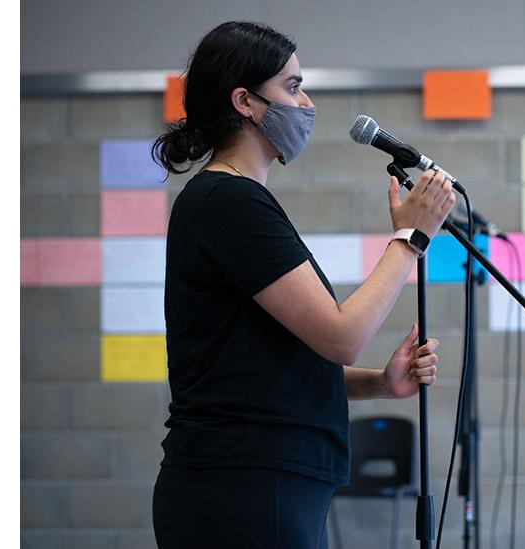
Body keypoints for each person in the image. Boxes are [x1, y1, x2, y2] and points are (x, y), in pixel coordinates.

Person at [150, 21, 455, 549]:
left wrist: (380, 383)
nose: (306, 103)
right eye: (292, 87)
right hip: (243, 486)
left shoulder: (237, 200)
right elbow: (342, 336)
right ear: (245, 102)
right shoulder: (228, 202)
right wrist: (410, 238)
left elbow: (275, 369)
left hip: (259, 484)